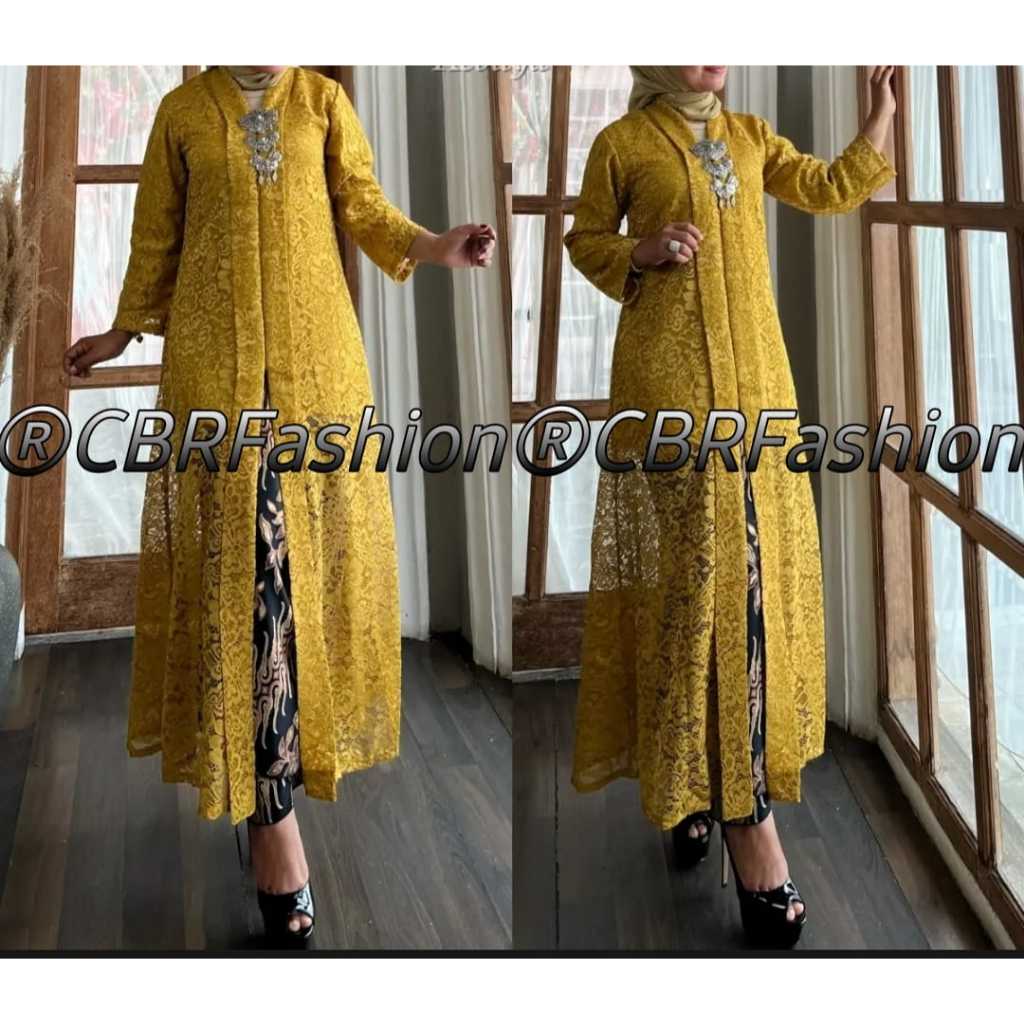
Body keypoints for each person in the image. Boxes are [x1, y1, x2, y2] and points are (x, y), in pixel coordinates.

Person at [64, 64, 495, 946]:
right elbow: (157, 235)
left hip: (318, 374)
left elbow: (362, 206)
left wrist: (434, 246)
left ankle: (271, 779)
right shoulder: (183, 112)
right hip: (214, 373)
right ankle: (272, 817)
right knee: (246, 583)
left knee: (297, 582)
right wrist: (121, 330)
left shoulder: (322, 102)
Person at [564, 65, 896, 948]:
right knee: (699, 591)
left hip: (761, 396)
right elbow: (584, 240)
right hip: (668, 393)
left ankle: (701, 791)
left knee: (747, 592)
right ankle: (742, 820)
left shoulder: (749, 137)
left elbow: (828, 187)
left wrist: (880, 118)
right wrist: (639, 253)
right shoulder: (622, 144)